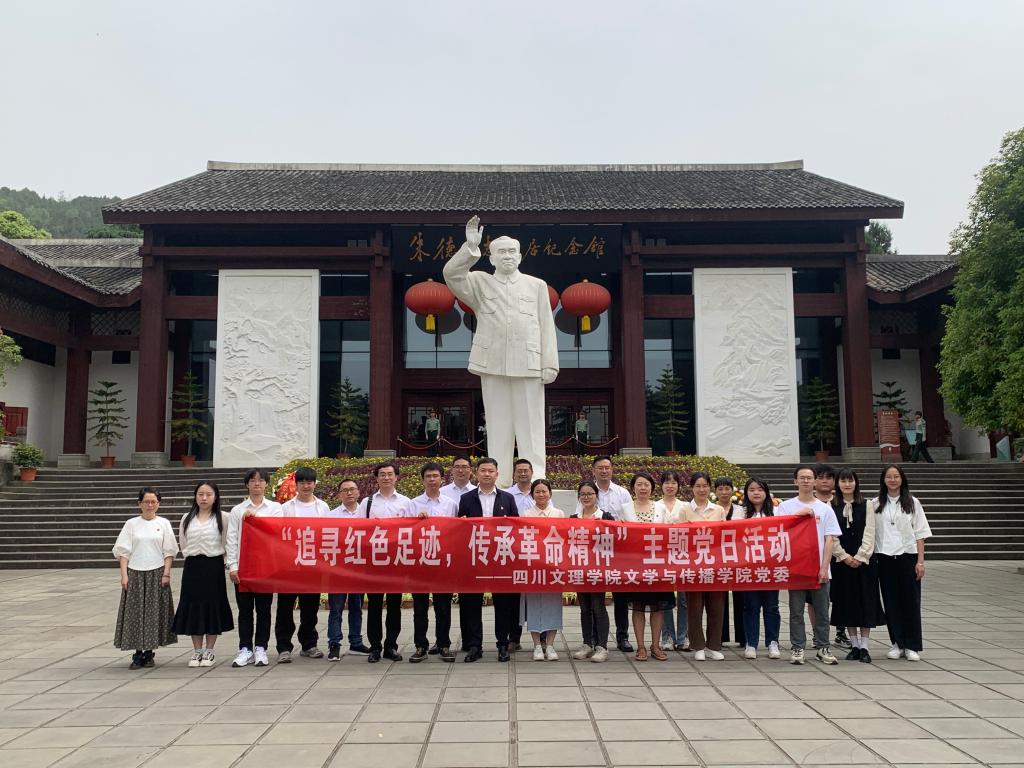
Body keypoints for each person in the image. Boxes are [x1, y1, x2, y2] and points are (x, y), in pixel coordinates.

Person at [442, 216, 559, 487]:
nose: (507, 256)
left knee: (531, 423)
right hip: (492, 362)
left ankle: (536, 477)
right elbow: (452, 274)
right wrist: (470, 248)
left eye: (512, 252)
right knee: (498, 423)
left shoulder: (536, 285)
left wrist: (550, 363)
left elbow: (546, 324)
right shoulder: (479, 282)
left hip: (529, 362)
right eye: (501, 252)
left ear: (520, 256)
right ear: (491, 258)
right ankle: (498, 479)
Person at [456, 457, 519, 662]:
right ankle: (475, 646)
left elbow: (516, 527)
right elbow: (460, 528)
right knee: (472, 603)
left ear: (497, 474)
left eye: (491, 471)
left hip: (500, 558)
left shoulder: (507, 498)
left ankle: (502, 644)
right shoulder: (466, 498)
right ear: (476, 473)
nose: (487, 474)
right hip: (475, 558)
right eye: (483, 470)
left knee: (503, 604)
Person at [778, 465, 841, 666]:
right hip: (796, 568)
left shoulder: (825, 508)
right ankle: (797, 648)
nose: (806, 481)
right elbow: (780, 533)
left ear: (815, 481)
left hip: (819, 567)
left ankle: (823, 647)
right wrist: (799, 516)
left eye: (809, 477)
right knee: (796, 611)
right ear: (795, 481)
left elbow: (829, 539)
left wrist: (824, 567)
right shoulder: (785, 507)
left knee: (822, 611)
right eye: (802, 478)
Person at [113, 487, 179, 669]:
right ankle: (137, 653)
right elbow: (123, 551)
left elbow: (169, 551)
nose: (150, 505)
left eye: (153, 502)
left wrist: (166, 573)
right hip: (135, 573)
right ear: (139, 504)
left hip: (156, 572)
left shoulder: (163, 523)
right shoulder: (131, 524)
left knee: (153, 614)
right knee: (134, 614)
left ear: (158, 504)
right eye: (146, 502)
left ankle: (149, 652)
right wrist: (124, 575)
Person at [356, 461, 413, 663]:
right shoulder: (367, 502)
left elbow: (412, 530)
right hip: (374, 561)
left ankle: (391, 646)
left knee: (394, 605)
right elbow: (358, 529)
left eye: (390, 474)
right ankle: (375, 647)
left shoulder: (406, 502)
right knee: (374, 605)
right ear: (377, 478)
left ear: (396, 477)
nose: (386, 477)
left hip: (396, 561)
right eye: (382, 474)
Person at [576, 456, 634, 653]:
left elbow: (629, 522)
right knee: (588, 605)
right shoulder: (583, 500)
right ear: (593, 470)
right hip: (587, 561)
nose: (604, 471)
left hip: (617, 554)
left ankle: (621, 637)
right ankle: (589, 641)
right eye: (600, 468)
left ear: (612, 469)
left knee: (619, 599)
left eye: (607, 467)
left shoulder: (622, 493)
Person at [874, 464, 932, 661]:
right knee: (891, 602)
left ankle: (912, 645)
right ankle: (897, 643)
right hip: (884, 558)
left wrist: (920, 561)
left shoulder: (913, 502)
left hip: (908, 557)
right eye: (889, 477)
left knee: (911, 602)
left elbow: (920, 533)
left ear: (902, 479)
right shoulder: (875, 503)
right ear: (883, 480)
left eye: (896, 476)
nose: (892, 480)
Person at [172, 481, 233, 668]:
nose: (204, 498)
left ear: (215, 497)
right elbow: (183, 542)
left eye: (208, 494)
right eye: (200, 494)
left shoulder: (223, 518)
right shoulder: (187, 518)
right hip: (192, 567)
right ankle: (197, 650)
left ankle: (210, 650)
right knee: (193, 607)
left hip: (213, 567)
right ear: (195, 496)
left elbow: (228, 542)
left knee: (212, 606)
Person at [226, 468, 282, 668]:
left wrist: (255, 518)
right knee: (244, 610)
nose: (257, 483)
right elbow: (231, 538)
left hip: (265, 567)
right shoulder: (237, 510)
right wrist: (232, 566)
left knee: (264, 610)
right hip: (244, 567)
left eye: (260, 480)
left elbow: (277, 532)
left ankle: (261, 648)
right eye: (252, 480)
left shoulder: (275, 508)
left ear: (266, 484)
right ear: (247, 485)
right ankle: (245, 648)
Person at [276, 466, 331, 663]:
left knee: (310, 607)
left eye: (309, 482)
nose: (306, 486)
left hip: (313, 565)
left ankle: (309, 644)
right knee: (285, 607)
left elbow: (328, 533)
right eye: (302, 483)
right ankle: (284, 647)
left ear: (315, 484)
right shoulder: (286, 508)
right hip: (290, 565)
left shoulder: (323, 507)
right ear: (296, 485)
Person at [830, 469, 882, 663]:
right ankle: (854, 645)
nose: (847, 484)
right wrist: (844, 556)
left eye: (850, 481)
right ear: (838, 484)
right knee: (847, 602)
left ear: (856, 483)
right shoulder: (831, 505)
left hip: (865, 562)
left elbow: (870, 531)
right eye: (843, 481)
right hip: (841, 562)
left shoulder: (867, 504)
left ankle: (865, 646)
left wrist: (861, 556)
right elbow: (831, 535)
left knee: (866, 601)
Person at [408, 462, 458, 663]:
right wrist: (417, 522)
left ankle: (444, 644)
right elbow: (405, 533)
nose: (432, 480)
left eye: (435, 476)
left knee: (443, 607)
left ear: (442, 479)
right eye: (428, 476)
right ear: (422, 480)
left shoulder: (450, 504)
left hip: (443, 564)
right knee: (420, 608)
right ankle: (421, 646)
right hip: (419, 563)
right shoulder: (413, 504)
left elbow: (456, 532)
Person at [621, 471, 673, 661]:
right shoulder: (624, 508)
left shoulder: (661, 508)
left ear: (652, 488)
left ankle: (655, 646)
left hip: (657, 565)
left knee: (658, 607)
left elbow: (669, 534)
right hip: (635, 565)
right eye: (639, 484)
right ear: (633, 488)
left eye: (646, 485)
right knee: (638, 607)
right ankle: (641, 646)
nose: (643, 488)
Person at [325, 478, 372, 660]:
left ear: (359, 492)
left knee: (356, 607)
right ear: (339, 495)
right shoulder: (331, 515)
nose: (349, 493)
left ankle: (356, 642)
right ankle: (334, 644)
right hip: (338, 569)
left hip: (359, 568)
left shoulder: (366, 513)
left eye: (352, 489)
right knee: (336, 608)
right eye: (345, 490)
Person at [520, 479, 565, 661]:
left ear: (550, 493)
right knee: (533, 606)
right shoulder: (526, 514)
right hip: (533, 567)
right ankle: (537, 645)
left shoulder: (559, 514)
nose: (541, 494)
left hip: (553, 568)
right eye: (537, 492)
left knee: (553, 605)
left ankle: (551, 645)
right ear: (532, 495)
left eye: (544, 491)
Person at [683, 472, 727, 661]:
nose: (702, 490)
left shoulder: (718, 510)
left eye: (705, 486)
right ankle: (698, 645)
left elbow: (726, 536)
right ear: (692, 488)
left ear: (710, 488)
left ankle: (713, 646)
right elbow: (679, 536)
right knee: (694, 607)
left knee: (716, 606)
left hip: (715, 565)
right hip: (693, 566)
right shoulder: (685, 510)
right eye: (698, 486)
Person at [739, 477, 781, 660]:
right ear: (746, 493)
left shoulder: (777, 512)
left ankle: (773, 642)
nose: (756, 493)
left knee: (772, 606)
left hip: (771, 567)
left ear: (766, 492)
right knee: (751, 606)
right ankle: (751, 643)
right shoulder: (740, 513)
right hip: (748, 567)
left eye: (760, 489)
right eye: (752, 490)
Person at [570, 481, 612, 663]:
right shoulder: (573, 518)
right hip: (580, 568)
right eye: (583, 494)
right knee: (584, 608)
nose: (586, 497)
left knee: (598, 606)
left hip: (598, 569)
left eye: (590, 494)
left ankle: (602, 646)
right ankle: (587, 643)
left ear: (596, 496)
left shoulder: (606, 517)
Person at [814, 464, 851, 651]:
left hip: (840, 558)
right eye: (820, 477)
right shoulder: (809, 503)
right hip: (817, 557)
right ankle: (817, 635)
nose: (824, 481)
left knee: (841, 596)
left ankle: (840, 632)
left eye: (828, 477)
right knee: (814, 599)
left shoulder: (842, 502)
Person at [656, 471, 690, 653]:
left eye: (674, 483)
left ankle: (683, 637)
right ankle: (667, 636)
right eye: (667, 482)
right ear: (661, 485)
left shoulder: (685, 506)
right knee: (665, 599)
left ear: (678, 485)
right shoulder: (655, 506)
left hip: (682, 556)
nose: (670, 486)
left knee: (684, 599)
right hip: (661, 557)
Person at [715, 477, 746, 650]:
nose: (724, 492)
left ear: (732, 490)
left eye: (727, 488)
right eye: (720, 489)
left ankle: (743, 636)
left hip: (738, 558)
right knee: (719, 599)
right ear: (715, 491)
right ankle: (720, 636)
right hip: (717, 558)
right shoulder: (712, 510)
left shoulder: (741, 510)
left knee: (740, 598)